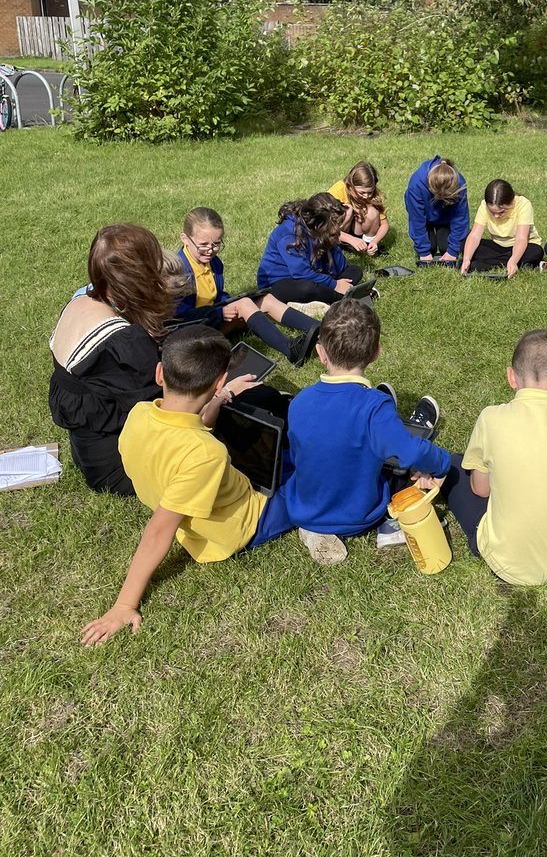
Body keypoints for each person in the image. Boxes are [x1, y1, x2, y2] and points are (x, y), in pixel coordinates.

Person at [80, 326, 298, 645]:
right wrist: (124, 605)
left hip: (220, 490)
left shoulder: (140, 414)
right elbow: (158, 530)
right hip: (250, 521)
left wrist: (223, 397)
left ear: (159, 373)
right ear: (219, 380)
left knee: (288, 454)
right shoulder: (205, 453)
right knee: (315, 475)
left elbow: (197, 421)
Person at [253, 299, 452, 563]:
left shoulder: (300, 402)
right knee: (400, 471)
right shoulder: (373, 408)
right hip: (357, 515)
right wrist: (443, 462)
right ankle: (389, 525)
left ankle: (315, 531)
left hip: (304, 508)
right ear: (376, 353)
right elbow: (411, 451)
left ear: (321, 353)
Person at [442, 330, 547, 584]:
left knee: (456, 466)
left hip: (509, 561)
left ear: (511, 376)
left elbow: (481, 490)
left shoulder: (490, 418)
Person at [49, 224, 171, 497]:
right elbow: (163, 406)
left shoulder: (80, 302)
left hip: (87, 450)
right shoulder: (123, 340)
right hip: (117, 468)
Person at [173, 206, 321, 365]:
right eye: (203, 244)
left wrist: (229, 301)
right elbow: (180, 318)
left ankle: (324, 331)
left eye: (216, 244)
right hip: (189, 336)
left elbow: (216, 295)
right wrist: (219, 312)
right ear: (185, 239)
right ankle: (291, 350)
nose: (210, 250)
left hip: (210, 321)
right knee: (245, 305)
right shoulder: (178, 273)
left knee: (265, 299)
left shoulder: (213, 262)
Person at [257, 193, 364, 305]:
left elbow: (341, 268)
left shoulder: (321, 231)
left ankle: (332, 297)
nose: (338, 228)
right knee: (307, 288)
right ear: (318, 225)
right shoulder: (289, 234)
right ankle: (346, 298)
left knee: (355, 271)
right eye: (335, 224)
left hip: (314, 274)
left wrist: (332, 242)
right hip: (281, 283)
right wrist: (335, 285)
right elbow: (301, 273)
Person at [459, 179, 543, 277]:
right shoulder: (483, 206)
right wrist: (466, 259)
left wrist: (513, 260)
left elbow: (521, 238)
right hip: (498, 246)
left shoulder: (523, 204)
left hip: (522, 245)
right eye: (492, 212)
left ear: (511, 202)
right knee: (465, 245)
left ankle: (485, 264)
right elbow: (474, 235)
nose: (496, 216)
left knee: (536, 252)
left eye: (501, 212)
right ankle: (515, 264)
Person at [404, 156, 470, 266]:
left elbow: (460, 218)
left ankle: (442, 230)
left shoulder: (459, 183)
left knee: (445, 247)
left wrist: (452, 251)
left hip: (446, 217)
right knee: (431, 248)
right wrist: (424, 252)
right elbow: (416, 220)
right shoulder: (416, 185)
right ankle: (430, 236)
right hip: (425, 218)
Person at [328, 161, 389, 255]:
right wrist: (350, 239)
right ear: (351, 186)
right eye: (362, 192)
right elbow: (325, 227)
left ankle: (367, 246)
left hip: (356, 230)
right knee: (347, 209)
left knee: (372, 212)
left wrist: (375, 241)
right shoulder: (338, 191)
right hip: (335, 231)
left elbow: (384, 224)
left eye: (370, 192)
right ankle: (340, 243)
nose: (366, 196)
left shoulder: (373, 196)